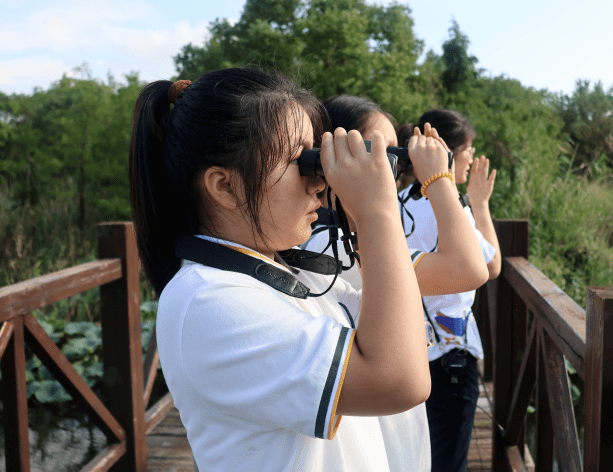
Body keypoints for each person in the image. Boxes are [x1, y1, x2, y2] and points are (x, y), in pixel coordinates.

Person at [128, 67, 436, 471]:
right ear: (225, 186)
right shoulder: (207, 301)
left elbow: (400, 335)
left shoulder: (286, 270)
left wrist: (366, 213)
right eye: (300, 161)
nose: (319, 183)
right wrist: (378, 209)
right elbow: (400, 380)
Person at [302, 95, 489, 472]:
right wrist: (439, 180)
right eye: (378, 154)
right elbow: (471, 268)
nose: (391, 169)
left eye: (394, 157)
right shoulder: (332, 248)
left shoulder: (349, 242)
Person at [398, 108, 501, 472]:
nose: (472, 158)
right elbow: (490, 266)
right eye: (469, 149)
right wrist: (480, 204)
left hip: (408, 353)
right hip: (449, 360)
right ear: (448, 152)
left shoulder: (398, 203)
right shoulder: (448, 207)